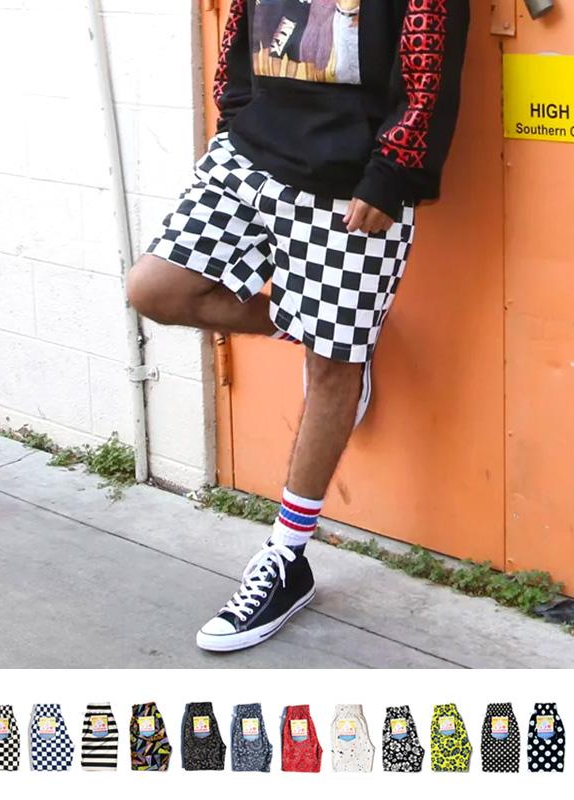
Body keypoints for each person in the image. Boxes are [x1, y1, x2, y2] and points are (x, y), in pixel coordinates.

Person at [127, 0, 471, 652]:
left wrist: (392, 172)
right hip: (250, 157)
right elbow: (240, 30)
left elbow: (431, 66)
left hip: (349, 184)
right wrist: (235, 117)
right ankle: (329, 329)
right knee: (155, 288)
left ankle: (287, 558)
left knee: (331, 369)